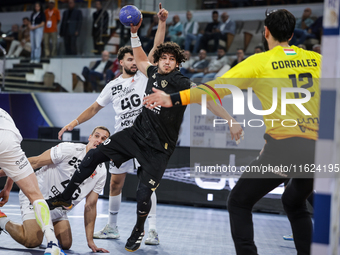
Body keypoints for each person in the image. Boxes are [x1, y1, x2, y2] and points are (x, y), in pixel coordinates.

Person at [46, 11, 242, 254]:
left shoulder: (181, 82)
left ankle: (140, 229)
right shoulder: (149, 73)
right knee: (94, 155)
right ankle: (65, 197)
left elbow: (208, 98)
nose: (167, 62)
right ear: (158, 61)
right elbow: (139, 57)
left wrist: (230, 120)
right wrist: (134, 32)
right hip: (134, 135)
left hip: (159, 149)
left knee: (142, 194)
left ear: (177, 63)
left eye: (172, 59)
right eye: (164, 58)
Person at [143, 9, 321, 255]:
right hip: (319, 148)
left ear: (266, 32)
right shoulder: (317, 59)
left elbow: (215, 89)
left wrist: (173, 98)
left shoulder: (259, 62)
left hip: (284, 146)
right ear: (292, 34)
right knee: (294, 200)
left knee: (238, 202)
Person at [56, 4, 169, 246]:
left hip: (145, 136)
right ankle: (113, 228)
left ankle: (153, 230)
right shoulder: (112, 85)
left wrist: (161, 23)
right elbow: (95, 108)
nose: (133, 62)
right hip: (122, 137)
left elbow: (157, 47)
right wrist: (73, 122)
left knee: (147, 183)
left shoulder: (143, 74)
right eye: (129, 59)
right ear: (120, 62)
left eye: (134, 59)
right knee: (115, 183)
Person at [0, 126, 110, 253]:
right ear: (90, 138)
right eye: (96, 136)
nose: (99, 140)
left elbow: (90, 206)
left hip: (57, 207)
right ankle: (1, 220)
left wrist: (90, 242)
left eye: (104, 139)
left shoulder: (101, 172)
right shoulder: (69, 149)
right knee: (32, 241)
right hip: (37, 196)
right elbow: (33, 162)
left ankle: (45, 228)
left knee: (66, 243)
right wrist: (7, 186)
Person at [0, 108, 65, 255]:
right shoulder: (5, 114)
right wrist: (8, 188)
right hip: (10, 142)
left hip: (9, 139)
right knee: (36, 196)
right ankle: (52, 243)